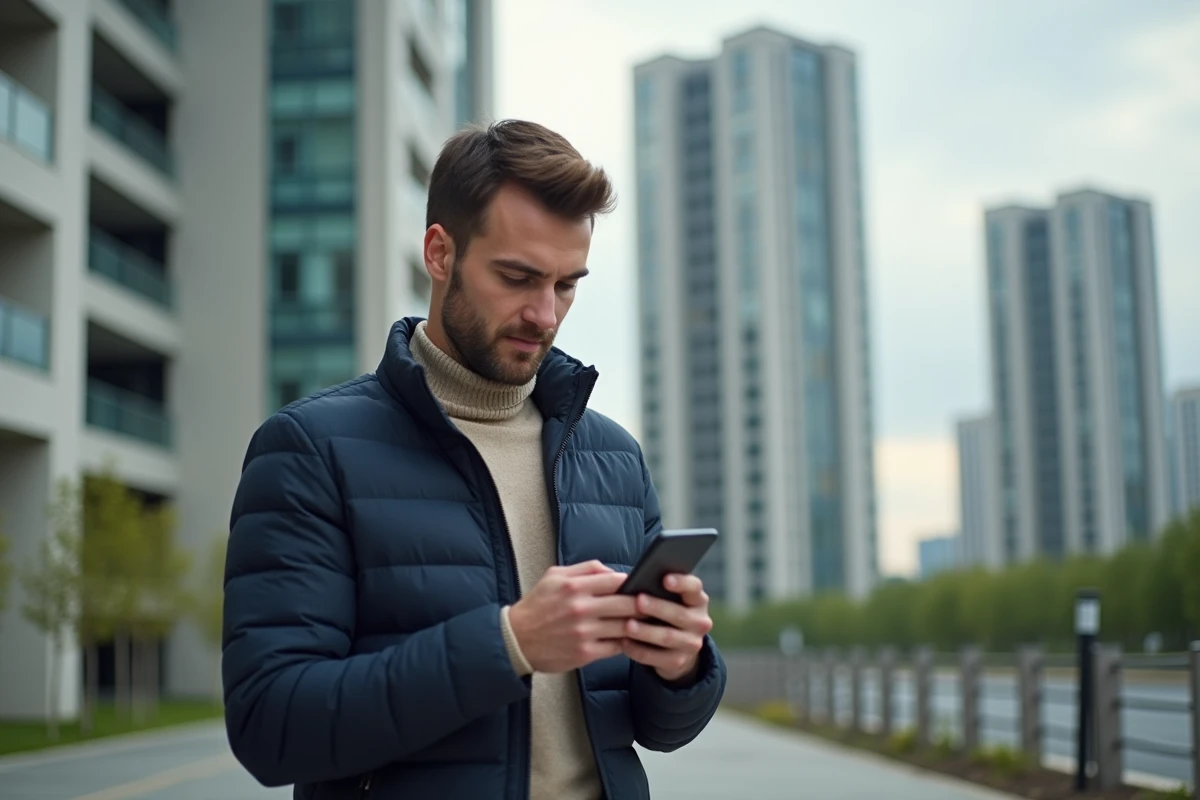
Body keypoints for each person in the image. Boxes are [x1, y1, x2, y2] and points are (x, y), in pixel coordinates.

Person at [222, 119, 727, 800]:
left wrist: (681, 667)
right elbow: (272, 726)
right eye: (518, 278)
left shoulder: (612, 457)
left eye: (567, 284)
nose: (545, 315)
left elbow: (654, 728)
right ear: (439, 253)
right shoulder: (311, 450)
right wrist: (510, 643)